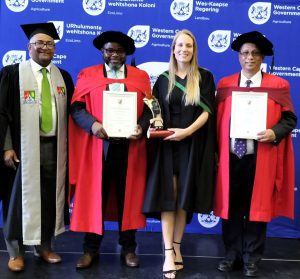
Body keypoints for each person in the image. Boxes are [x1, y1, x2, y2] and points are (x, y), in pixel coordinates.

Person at [214, 31, 297, 277]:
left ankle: (252, 256)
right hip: (231, 157)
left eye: (255, 53)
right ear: (239, 57)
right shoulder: (225, 84)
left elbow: (289, 118)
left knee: (256, 209)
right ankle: (231, 255)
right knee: (231, 208)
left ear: (262, 57)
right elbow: (217, 122)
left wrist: (274, 132)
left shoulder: (278, 85)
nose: (250, 57)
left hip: (259, 157)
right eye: (245, 53)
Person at [69, 31, 151, 269]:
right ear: (102, 52)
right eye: (109, 50)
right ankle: (90, 250)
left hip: (130, 148)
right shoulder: (89, 75)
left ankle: (128, 249)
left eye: (119, 51)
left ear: (126, 53)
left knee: (130, 199)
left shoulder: (140, 77)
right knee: (97, 199)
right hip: (99, 149)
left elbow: (149, 110)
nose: (114, 54)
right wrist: (93, 125)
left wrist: (141, 125)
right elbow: (76, 108)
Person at [0, 22, 74, 272]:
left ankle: (44, 246)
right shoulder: (12, 74)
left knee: (49, 199)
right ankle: (16, 251)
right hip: (22, 149)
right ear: (29, 47)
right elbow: (2, 114)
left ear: (54, 49)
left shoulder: (63, 77)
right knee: (17, 200)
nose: (45, 47)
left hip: (55, 147)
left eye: (49, 44)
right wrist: (6, 146)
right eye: (39, 43)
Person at [142, 29, 216, 279]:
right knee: (168, 196)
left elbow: (207, 112)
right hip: (166, 146)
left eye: (189, 46)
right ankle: (167, 253)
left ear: (194, 50)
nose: (184, 49)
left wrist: (186, 132)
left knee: (184, 197)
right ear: (173, 49)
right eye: (180, 45)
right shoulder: (163, 79)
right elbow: (155, 111)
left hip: (190, 144)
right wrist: (154, 124)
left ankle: (177, 247)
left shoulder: (204, 77)